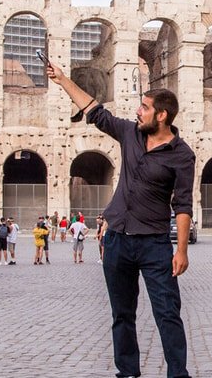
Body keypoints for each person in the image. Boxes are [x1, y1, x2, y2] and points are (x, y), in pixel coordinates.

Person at [48, 61, 195, 378]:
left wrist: (181, 250)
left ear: (162, 116)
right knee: (122, 313)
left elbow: (183, 204)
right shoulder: (130, 134)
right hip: (117, 240)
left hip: (155, 244)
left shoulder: (182, 155)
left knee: (168, 312)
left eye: (144, 107)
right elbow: (95, 111)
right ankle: (127, 372)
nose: (137, 111)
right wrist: (62, 80)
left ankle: (178, 374)